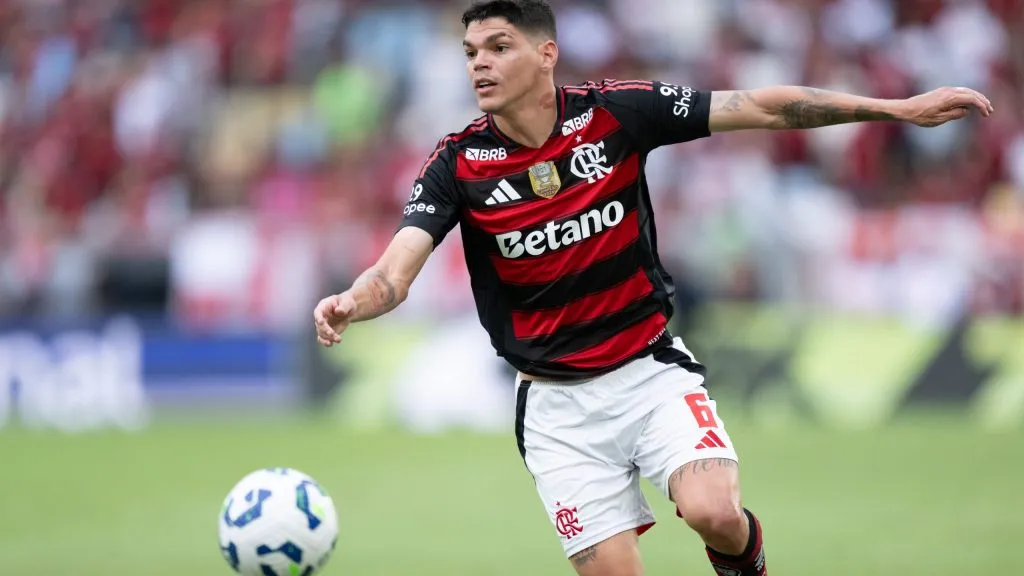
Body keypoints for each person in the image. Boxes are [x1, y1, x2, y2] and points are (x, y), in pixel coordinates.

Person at [313, 1, 994, 574]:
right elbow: (393, 273)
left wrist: (895, 110)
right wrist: (353, 301)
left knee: (714, 513)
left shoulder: (616, 114)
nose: (479, 64)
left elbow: (761, 108)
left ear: (547, 54)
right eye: (470, 52)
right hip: (555, 410)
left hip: (647, 371)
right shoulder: (457, 163)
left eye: (498, 46)